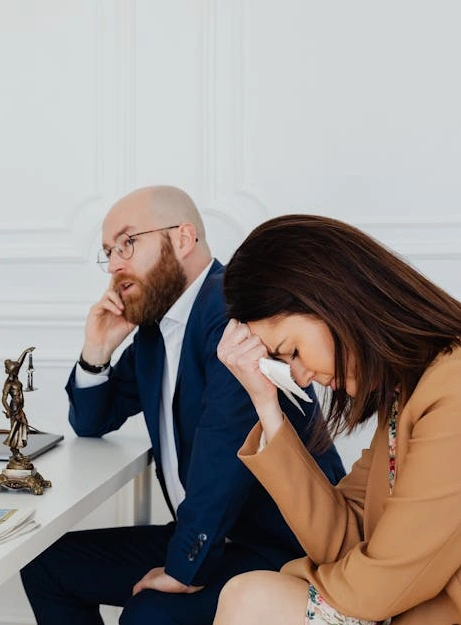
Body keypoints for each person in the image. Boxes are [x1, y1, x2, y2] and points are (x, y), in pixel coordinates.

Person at [20, 186, 346, 625]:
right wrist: (96, 350)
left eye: (128, 242)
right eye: (108, 251)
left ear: (183, 238)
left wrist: (183, 571)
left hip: (278, 545)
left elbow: (224, 449)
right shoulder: (158, 332)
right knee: (48, 565)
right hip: (209, 534)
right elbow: (93, 420)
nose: (115, 263)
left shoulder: (236, 312)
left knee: (148, 615)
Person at [215, 214, 461, 625]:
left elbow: (379, 588)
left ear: (334, 298)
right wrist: (267, 406)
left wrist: (287, 580)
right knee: (250, 597)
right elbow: (345, 538)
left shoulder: (452, 389)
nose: (300, 376)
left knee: (250, 598)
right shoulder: (409, 395)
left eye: (291, 351)